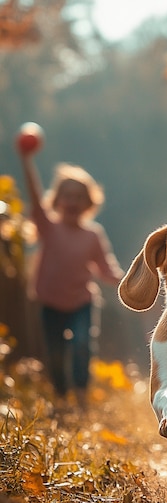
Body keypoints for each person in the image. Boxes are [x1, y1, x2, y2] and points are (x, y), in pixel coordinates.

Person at [16, 144, 124, 409]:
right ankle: (62, 397)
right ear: (57, 199)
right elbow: (33, 193)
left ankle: (82, 395)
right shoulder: (48, 226)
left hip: (81, 301)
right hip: (49, 302)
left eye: (79, 197)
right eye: (67, 195)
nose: (73, 202)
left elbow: (105, 267)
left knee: (82, 345)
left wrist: (126, 281)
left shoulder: (92, 234)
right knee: (53, 353)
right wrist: (27, 160)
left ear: (89, 202)